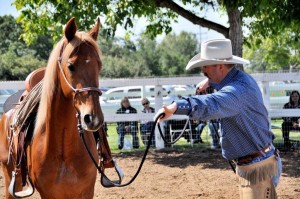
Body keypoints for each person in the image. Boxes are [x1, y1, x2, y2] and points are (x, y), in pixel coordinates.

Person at [155, 39, 282, 199]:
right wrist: (210, 81)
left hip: (258, 166)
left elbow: (212, 103)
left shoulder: (237, 90)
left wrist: (176, 107)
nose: (203, 69)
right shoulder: (237, 80)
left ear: (220, 66)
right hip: (255, 162)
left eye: (206, 66)